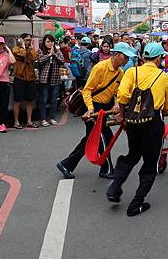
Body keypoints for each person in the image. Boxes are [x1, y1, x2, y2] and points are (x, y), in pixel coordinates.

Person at [106, 42, 168, 217]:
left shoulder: (132, 72)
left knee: (132, 155)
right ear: (159, 58)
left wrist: (121, 114)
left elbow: (122, 95)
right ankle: (136, 204)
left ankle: (115, 188)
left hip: (133, 122)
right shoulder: (163, 76)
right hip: (153, 123)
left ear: (144, 57)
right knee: (150, 163)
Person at [56, 42, 136, 180]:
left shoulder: (120, 72)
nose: (128, 60)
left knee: (91, 139)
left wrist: (116, 104)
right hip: (92, 107)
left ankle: (66, 164)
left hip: (104, 108)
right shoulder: (100, 67)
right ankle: (107, 169)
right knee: (103, 138)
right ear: (116, 55)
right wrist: (90, 109)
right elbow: (87, 90)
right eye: (125, 57)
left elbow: (117, 91)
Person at [36, 34, 65, 127]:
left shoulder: (58, 51)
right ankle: (43, 119)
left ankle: (52, 118)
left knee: (54, 100)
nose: (50, 43)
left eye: (51, 41)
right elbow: (39, 60)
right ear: (44, 42)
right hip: (44, 79)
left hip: (55, 79)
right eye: (48, 41)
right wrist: (49, 55)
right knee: (43, 100)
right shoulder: (41, 51)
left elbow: (62, 61)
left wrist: (54, 54)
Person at [12, 33, 38, 129]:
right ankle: (16, 121)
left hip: (30, 77)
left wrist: (30, 48)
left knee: (30, 100)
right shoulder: (16, 49)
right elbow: (22, 55)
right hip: (20, 77)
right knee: (17, 100)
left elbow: (35, 57)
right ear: (21, 40)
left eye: (30, 40)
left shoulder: (32, 50)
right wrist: (23, 46)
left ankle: (29, 121)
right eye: (26, 40)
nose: (28, 42)